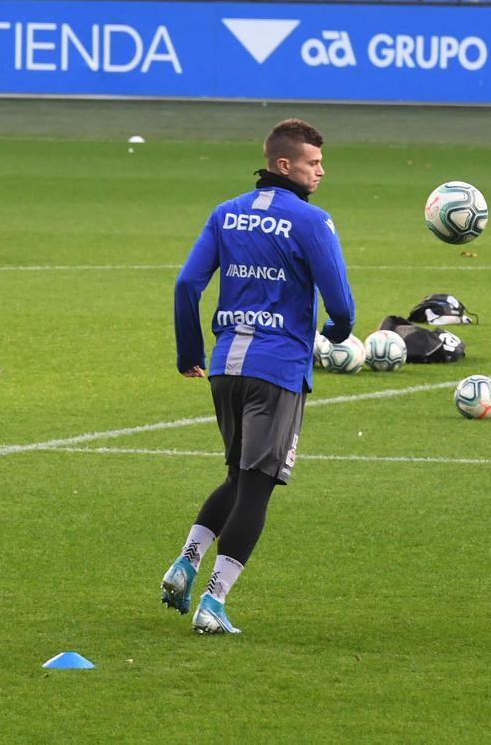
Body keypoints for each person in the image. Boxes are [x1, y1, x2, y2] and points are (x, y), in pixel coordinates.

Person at [162, 119, 355, 635]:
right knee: (258, 487)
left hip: (225, 367)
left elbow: (186, 285)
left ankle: (186, 561)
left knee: (237, 476)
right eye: (313, 163)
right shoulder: (312, 222)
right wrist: (340, 330)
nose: (321, 171)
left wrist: (189, 352)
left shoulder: (225, 214)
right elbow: (339, 301)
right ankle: (214, 601)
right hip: (278, 370)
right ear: (283, 165)